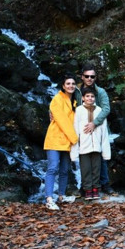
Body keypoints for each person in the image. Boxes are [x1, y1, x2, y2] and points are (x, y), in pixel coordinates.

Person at [75, 65, 115, 194]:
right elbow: (65, 102)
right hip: (82, 130)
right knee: (84, 158)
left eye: (92, 76)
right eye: (87, 76)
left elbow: (106, 109)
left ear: (95, 78)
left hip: (98, 128)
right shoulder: (76, 91)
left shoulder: (101, 92)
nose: (89, 78)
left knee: (100, 158)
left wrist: (95, 123)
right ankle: (85, 186)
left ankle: (104, 184)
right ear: (82, 77)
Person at [43, 74, 79, 210]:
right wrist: (75, 139)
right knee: (53, 167)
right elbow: (63, 121)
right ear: (63, 86)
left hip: (67, 141)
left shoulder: (75, 101)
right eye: (68, 84)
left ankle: (61, 196)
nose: (70, 86)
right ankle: (49, 199)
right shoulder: (57, 99)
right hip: (55, 138)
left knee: (64, 170)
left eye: (73, 84)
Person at [71, 87, 111, 200]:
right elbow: (75, 130)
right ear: (83, 98)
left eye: (92, 96)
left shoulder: (99, 110)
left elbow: (104, 132)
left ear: (95, 98)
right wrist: (75, 150)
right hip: (83, 146)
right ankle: (87, 190)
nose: (90, 98)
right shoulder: (78, 110)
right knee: (86, 169)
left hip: (97, 146)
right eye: (87, 96)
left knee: (96, 169)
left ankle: (95, 189)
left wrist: (106, 152)